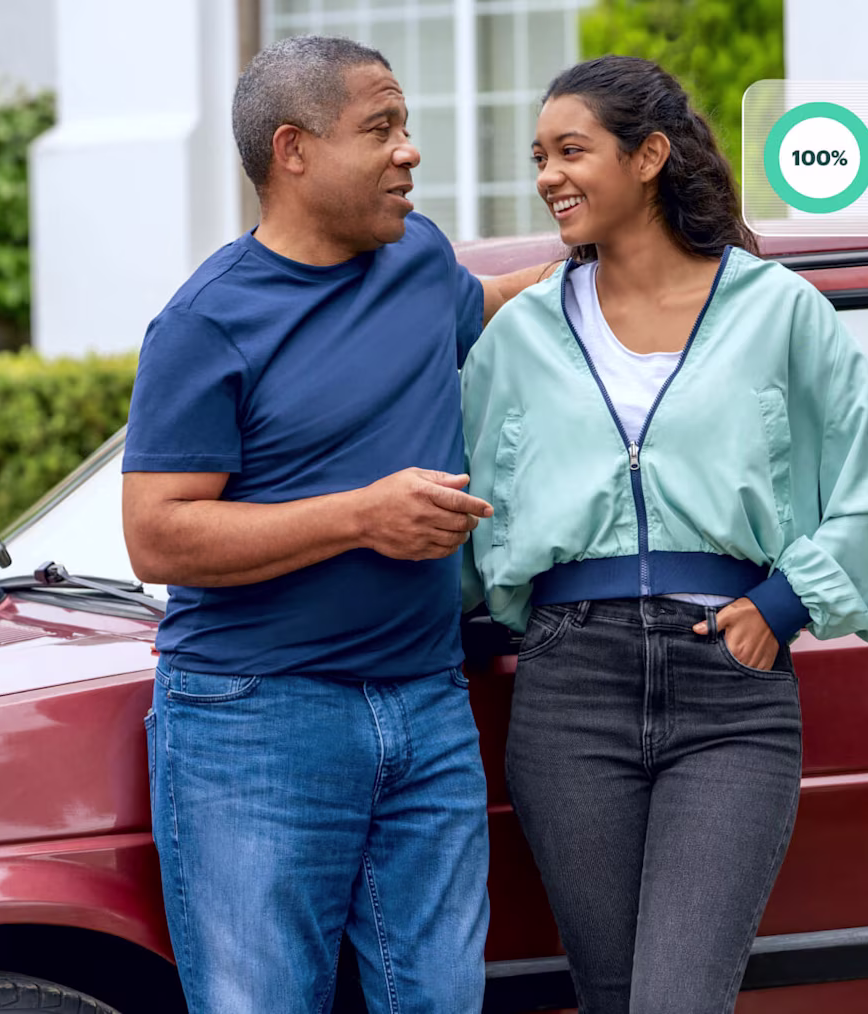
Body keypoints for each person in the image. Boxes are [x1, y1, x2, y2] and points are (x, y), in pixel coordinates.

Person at [460, 55, 868, 1013]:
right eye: (539, 157)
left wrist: (785, 600)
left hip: (728, 692)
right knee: (610, 996)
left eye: (571, 151)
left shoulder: (777, 310)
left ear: (648, 157)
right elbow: (466, 512)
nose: (549, 175)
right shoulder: (518, 338)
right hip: (568, 693)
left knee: (676, 1000)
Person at [121, 35, 553, 1014]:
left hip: (429, 706)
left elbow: (480, 310)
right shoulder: (207, 324)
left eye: (407, 128)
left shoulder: (416, 258)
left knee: (439, 1001)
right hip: (254, 723)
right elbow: (159, 534)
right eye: (383, 128)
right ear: (295, 151)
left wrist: (614, 251)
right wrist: (362, 518)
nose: (410, 152)